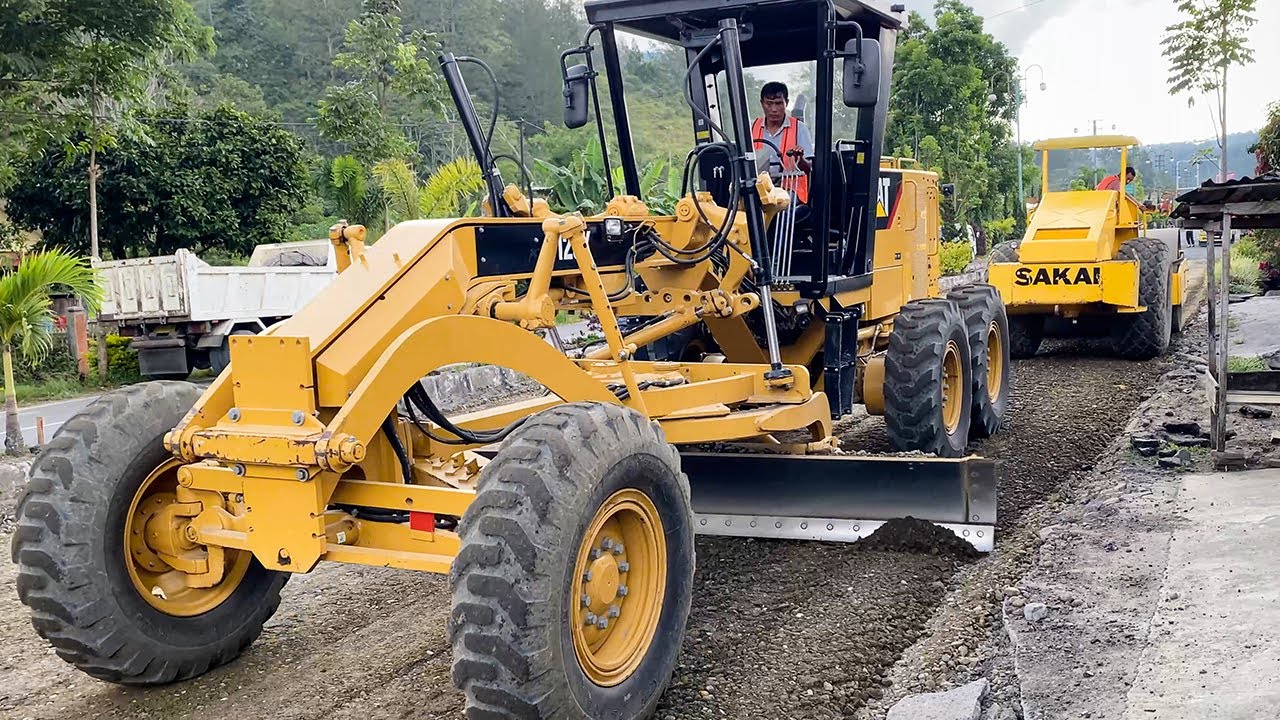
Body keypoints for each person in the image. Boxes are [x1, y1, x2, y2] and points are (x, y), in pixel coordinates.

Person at [752, 81, 815, 204]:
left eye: (778, 103)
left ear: (787, 102)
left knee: (778, 203)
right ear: (762, 103)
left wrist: (799, 158)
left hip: (789, 188)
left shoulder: (799, 128)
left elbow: (808, 168)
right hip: (758, 188)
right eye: (769, 104)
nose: (774, 109)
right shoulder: (752, 127)